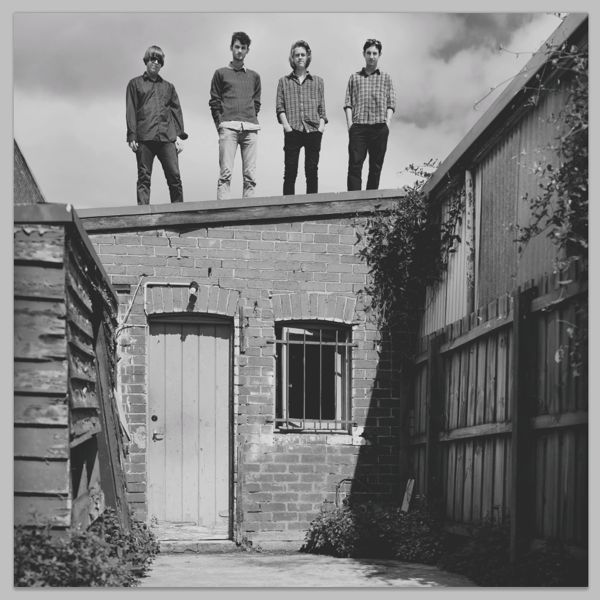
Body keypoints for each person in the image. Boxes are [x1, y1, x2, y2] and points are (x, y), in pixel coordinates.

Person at [126, 45, 188, 205]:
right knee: (144, 177)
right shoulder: (135, 84)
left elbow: (176, 111)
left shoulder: (169, 87)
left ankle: (179, 211)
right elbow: (131, 110)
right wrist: (132, 135)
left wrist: (179, 136)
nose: (155, 62)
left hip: (167, 138)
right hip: (144, 137)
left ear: (162, 64)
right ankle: (143, 213)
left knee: (174, 177)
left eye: (159, 60)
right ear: (146, 60)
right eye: (152, 59)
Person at [209, 32, 261, 200]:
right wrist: (220, 124)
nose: (239, 51)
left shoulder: (254, 76)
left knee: (250, 176)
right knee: (225, 174)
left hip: (250, 128)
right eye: (237, 47)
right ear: (231, 48)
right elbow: (214, 101)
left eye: (243, 48)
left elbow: (257, 102)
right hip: (228, 127)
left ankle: (248, 212)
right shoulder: (220, 73)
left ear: (247, 51)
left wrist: (249, 116)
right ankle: (223, 212)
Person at [275, 40, 327, 196]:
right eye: (297, 55)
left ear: (307, 57)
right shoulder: (283, 82)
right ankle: (288, 206)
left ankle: (312, 205)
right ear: (292, 58)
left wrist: (321, 128)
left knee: (311, 171)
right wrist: (287, 127)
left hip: (313, 130)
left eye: (303, 55)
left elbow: (322, 109)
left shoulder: (318, 81)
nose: (300, 57)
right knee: (290, 171)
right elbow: (280, 107)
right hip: (293, 130)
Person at [343, 38, 396, 191]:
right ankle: (353, 199)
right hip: (358, 127)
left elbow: (391, 102)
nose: (371, 56)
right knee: (355, 165)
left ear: (379, 55)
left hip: (379, 126)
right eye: (369, 53)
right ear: (364, 54)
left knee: (376, 166)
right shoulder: (354, 77)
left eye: (374, 53)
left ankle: (370, 198)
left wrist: (387, 124)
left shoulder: (385, 78)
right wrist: (350, 125)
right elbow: (348, 103)